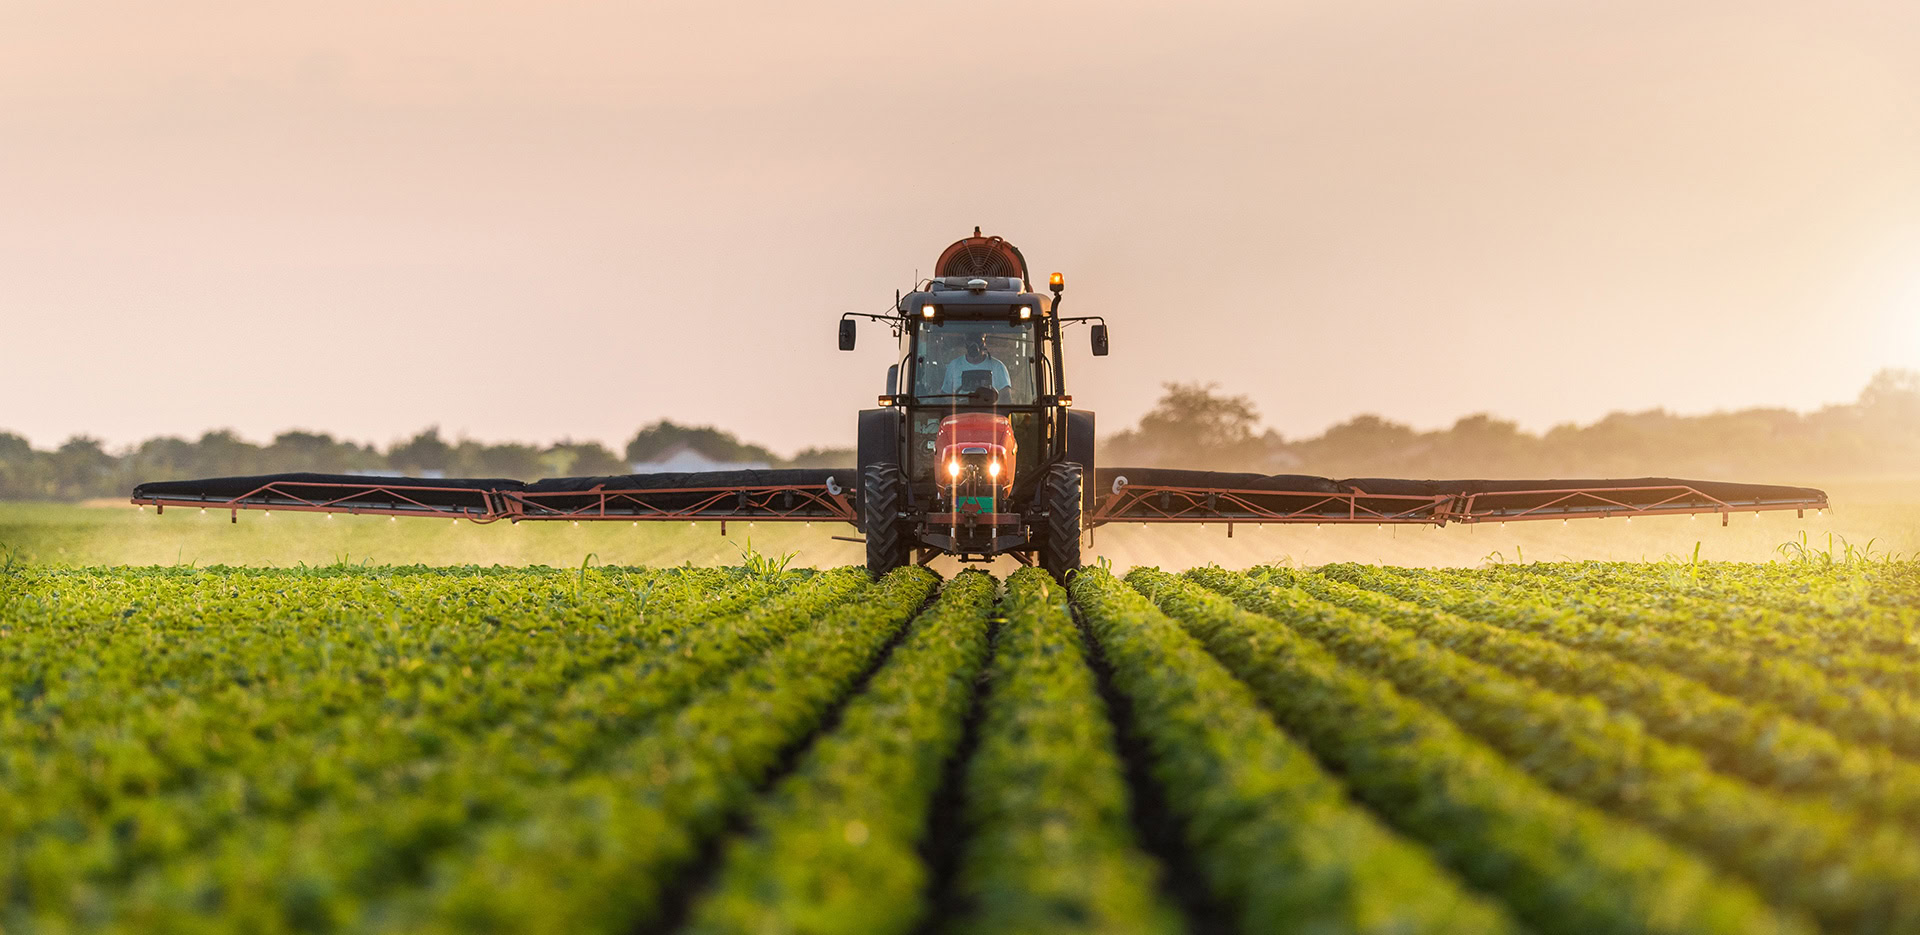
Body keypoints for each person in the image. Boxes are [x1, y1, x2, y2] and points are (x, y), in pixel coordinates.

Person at [940, 333, 1013, 402]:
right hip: (960, 412)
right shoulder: (954, 366)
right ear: (965, 343)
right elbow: (946, 397)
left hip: (990, 413)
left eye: (978, 340)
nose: (974, 344)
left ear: (984, 343)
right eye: (970, 340)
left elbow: (1006, 398)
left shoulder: (997, 367)